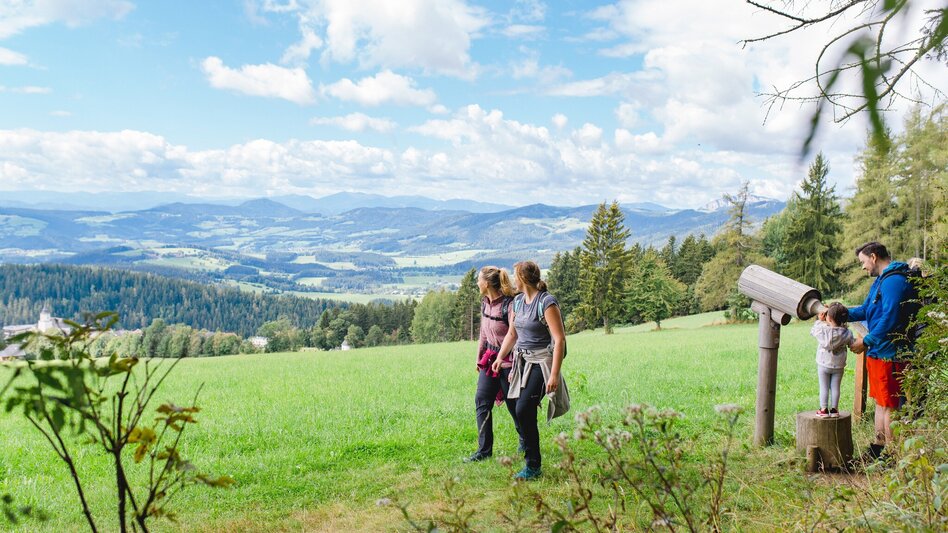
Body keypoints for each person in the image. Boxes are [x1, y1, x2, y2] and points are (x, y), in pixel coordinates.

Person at [492, 261, 569, 480]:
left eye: (515, 276)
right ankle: (530, 456)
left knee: (524, 408)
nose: (513, 280)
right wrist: (500, 357)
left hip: (542, 362)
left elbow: (559, 339)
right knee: (522, 408)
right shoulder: (517, 302)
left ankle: (533, 466)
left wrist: (554, 374)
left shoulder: (546, 303)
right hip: (523, 361)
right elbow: (512, 334)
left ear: (523, 279)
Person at [848, 242, 918, 461]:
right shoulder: (881, 280)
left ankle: (891, 455)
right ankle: (878, 450)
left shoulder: (894, 281)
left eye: (863, 261)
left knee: (889, 406)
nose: (863, 267)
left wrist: (867, 341)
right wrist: (838, 313)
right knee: (881, 403)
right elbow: (866, 310)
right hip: (879, 353)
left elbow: (890, 318)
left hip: (891, 354)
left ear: (874, 257)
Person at [465, 266, 520, 463]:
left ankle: (525, 439)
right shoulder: (485, 303)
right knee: (481, 400)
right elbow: (483, 332)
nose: (477, 283)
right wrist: (479, 357)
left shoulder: (509, 305)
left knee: (514, 405)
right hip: (490, 359)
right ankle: (484, 450)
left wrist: (506, 360)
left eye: (479, 280)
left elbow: (515, 335)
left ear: (487, 283)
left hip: (508, 361)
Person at [810, 302, 854, 418]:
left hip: (823, 364)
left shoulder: (823, 330)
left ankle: (824, 409)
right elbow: (852, 343)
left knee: (824, 387)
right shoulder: (847, 333)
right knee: (835, 387)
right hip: (839, 365)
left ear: (828, 318)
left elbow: (813, 331)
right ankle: (834, 410)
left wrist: (819, 321)